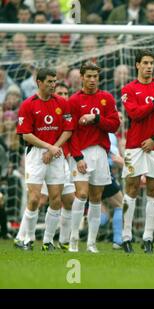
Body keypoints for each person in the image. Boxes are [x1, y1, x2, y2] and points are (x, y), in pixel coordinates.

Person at [120, 50, 154, 254]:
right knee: (131, 188)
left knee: (153, 190)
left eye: (151, 63)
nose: (149, 66)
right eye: (145, 62)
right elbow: (135, 114)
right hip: (134, 146)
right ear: (137, 65)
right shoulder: (128, 89)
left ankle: (148, 238)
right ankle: (126, 237)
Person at [15, 68, 74, 251]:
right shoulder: (28, 104)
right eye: (49, 81)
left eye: (54, 81)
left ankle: (48, 241)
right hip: (36, 155)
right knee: (33, 199)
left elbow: (68, 129)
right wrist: (48, 147)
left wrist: (54, 147)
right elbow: (25, 135)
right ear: (39, 82)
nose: (52, 84)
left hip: (56, 156)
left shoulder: (62, 104)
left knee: (56, 199)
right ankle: (28, 239)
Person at [68, 62, 120, 253]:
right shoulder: (73, 101)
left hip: (100, 153)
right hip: (81, 153)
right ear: (81, 77)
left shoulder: (106, 98)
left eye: (95, 76)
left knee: (96, 198)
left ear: (99, 78)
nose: (92, 80)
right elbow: (70, 132)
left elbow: (114, 125)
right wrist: (77, 157)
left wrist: (95, 119)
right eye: (88, 76)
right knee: (82, 194)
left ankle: (91, 243)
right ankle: (73, 240)